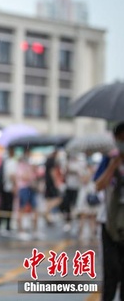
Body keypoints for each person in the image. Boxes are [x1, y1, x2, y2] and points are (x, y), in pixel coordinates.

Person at [94, 122, 124, 301]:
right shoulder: (109, 159)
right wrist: (113, 166)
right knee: (111, 270)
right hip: (109, 223)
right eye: (120, 139)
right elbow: (98, 186)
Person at [15, 148, 39, 240]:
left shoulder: (30, 165)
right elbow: (24, 177)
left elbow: (34, 176)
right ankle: (21, 231)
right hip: (23, 188)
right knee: (22, 209)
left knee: (35, 208)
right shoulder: (20, 165)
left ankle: (35, 231)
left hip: (31, 188)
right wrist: (30, 173)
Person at [43, 149, 63, 225]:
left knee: (48, 200)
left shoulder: (48, 160)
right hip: (51, 183)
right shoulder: (52, 160)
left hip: (48, 183)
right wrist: (56, 182)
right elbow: (52, 172)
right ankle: (46, 212)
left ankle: (48, 216)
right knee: (58, 199)